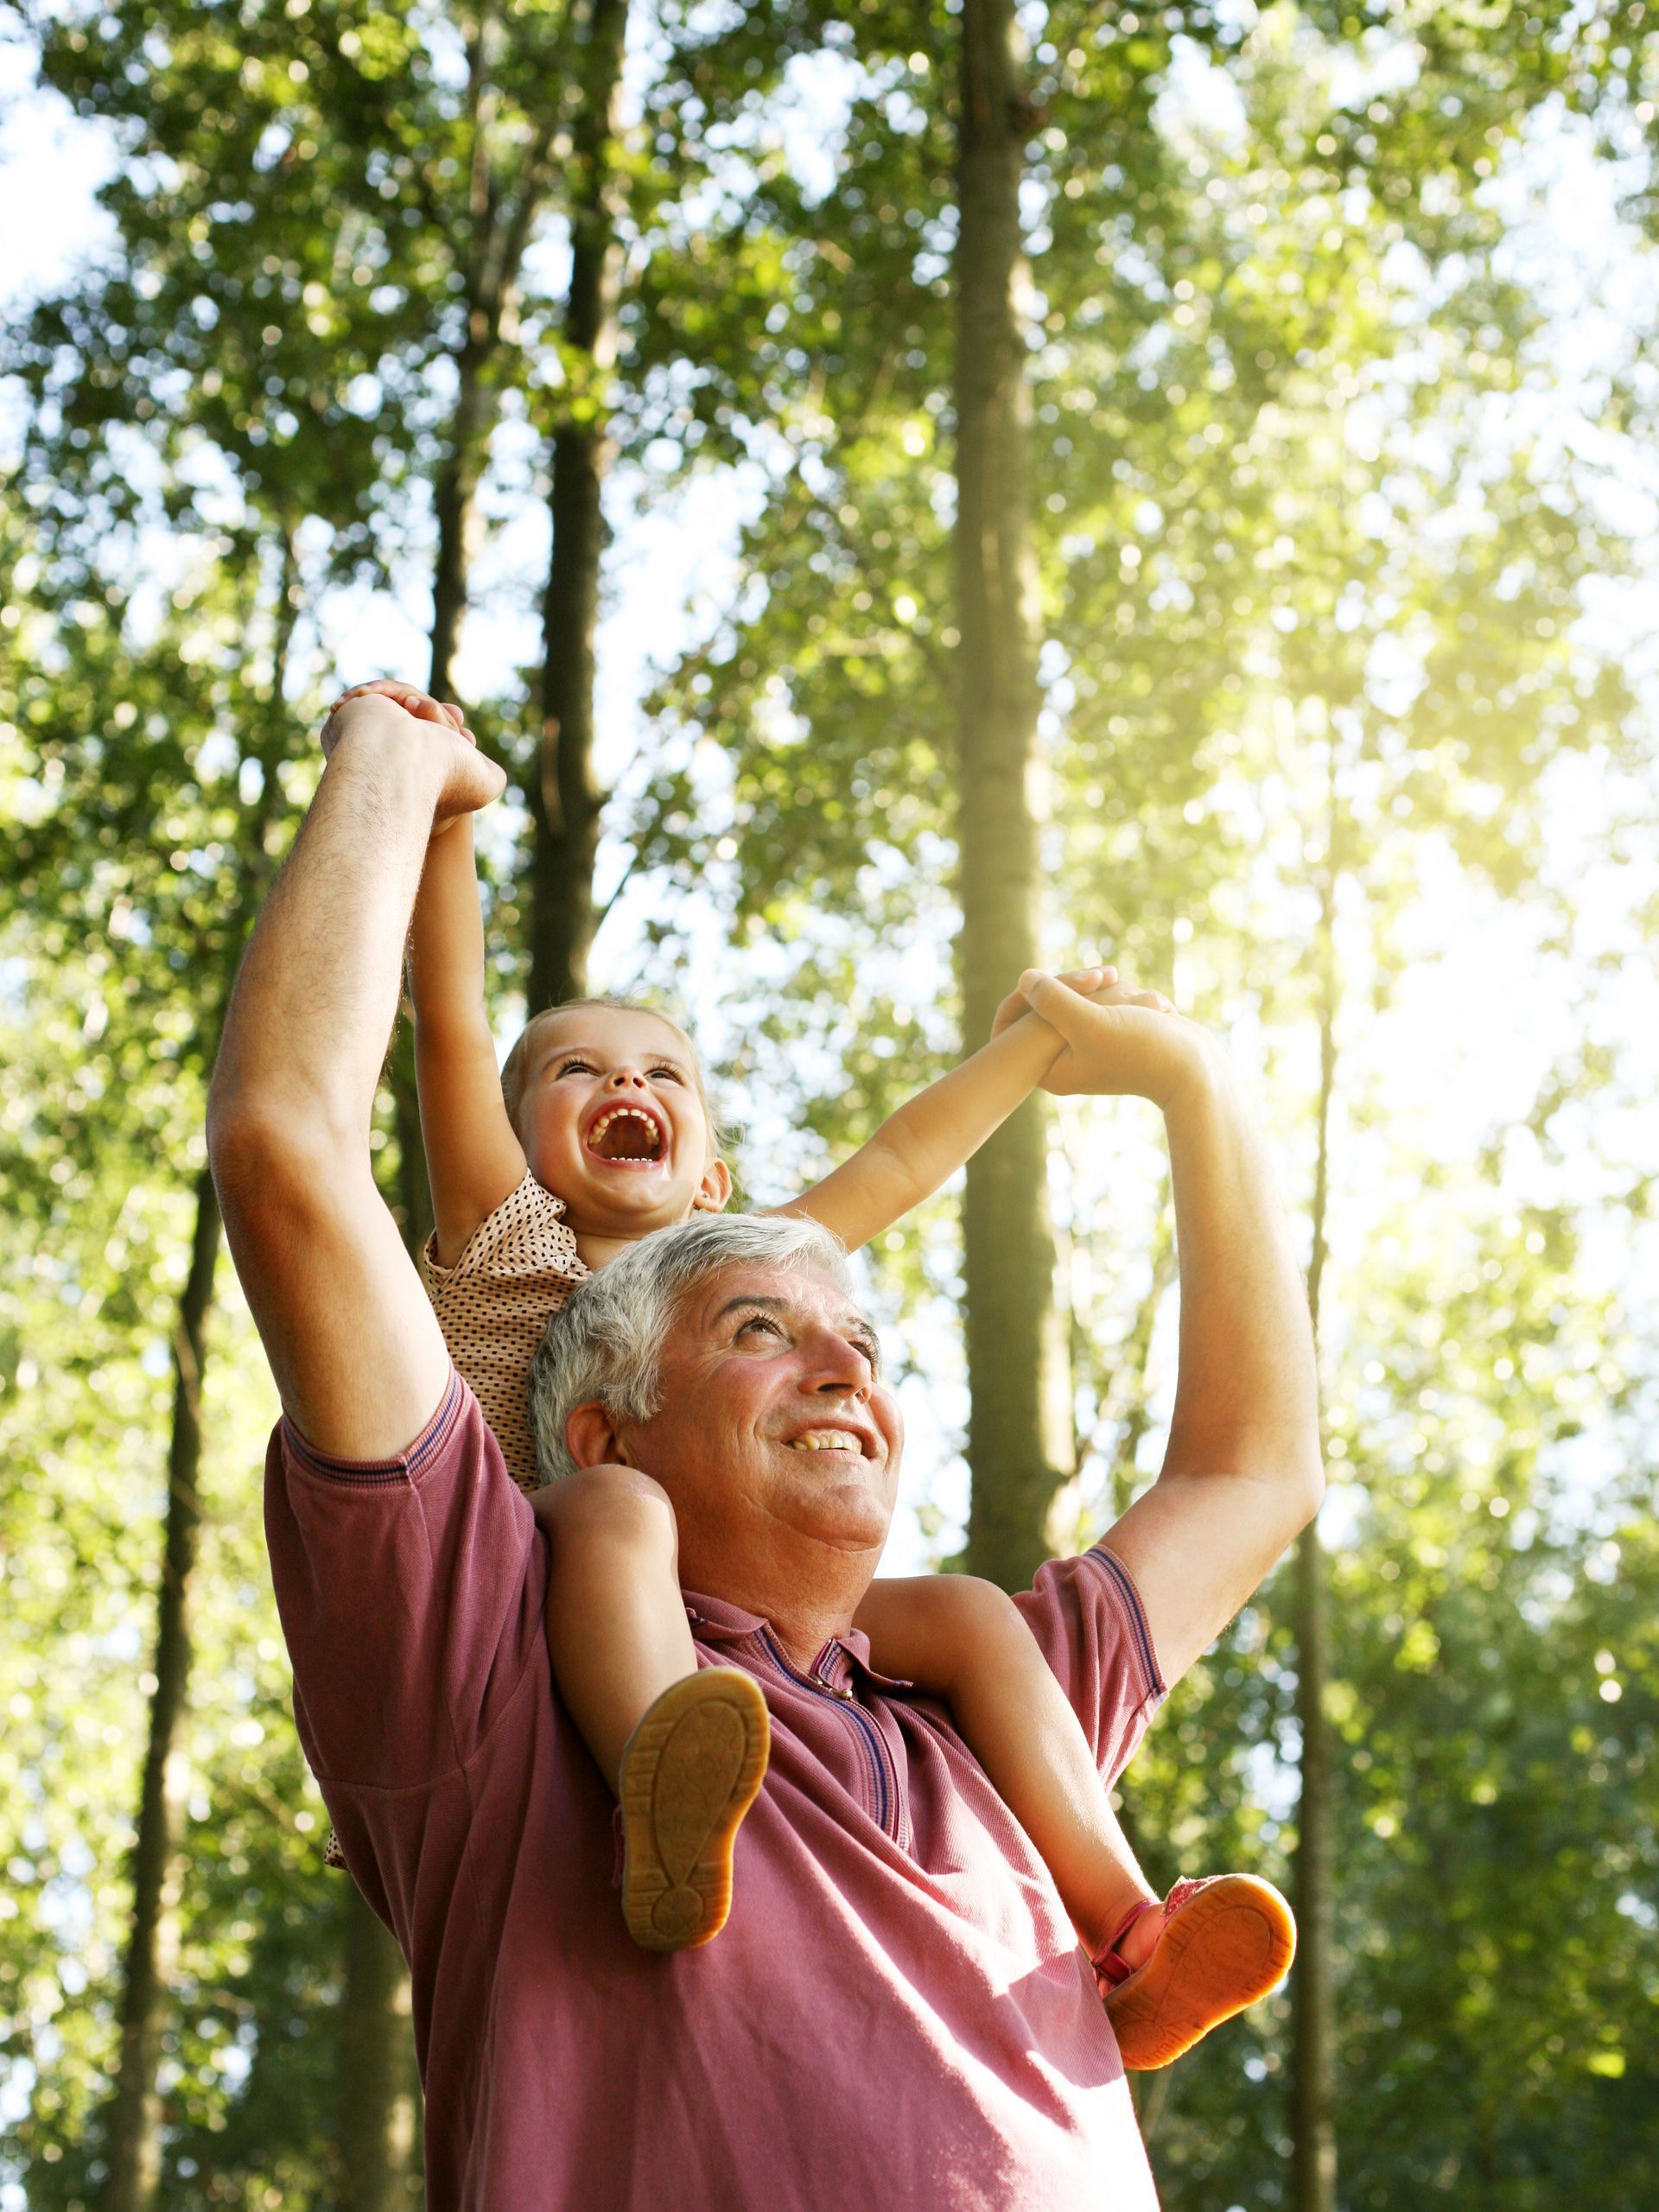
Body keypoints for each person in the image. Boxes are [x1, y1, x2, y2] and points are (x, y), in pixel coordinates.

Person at [209, 698, 1322, 2209]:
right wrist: (424, 789)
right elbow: (322, 1125)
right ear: (620, 1405)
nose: (843, 1358)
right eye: (759, 1334)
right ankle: (664, 1762)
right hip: (592, 1624)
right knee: (604, 1518)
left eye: (858, 1339)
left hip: (832, 1666)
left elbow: (1253, 1476)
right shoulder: (495, 1638)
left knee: (974, 1610)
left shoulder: (971, 1721)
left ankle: (1128, 1920)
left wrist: (1185, 1077)